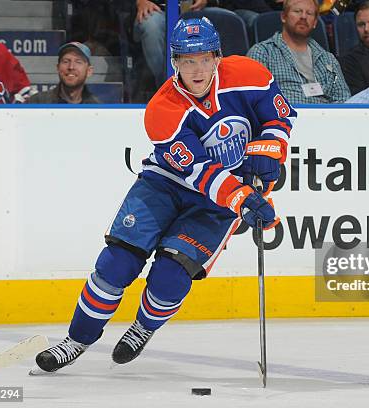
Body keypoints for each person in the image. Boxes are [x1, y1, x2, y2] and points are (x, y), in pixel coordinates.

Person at [31, 17, 296, 374]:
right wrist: (244, 197)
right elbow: (199, 171)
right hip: (165, 185)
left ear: (218, 56)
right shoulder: (163, 109)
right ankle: (78, 338)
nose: (197, 69)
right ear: (174, 63)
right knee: (117, 263)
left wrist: (268, 155)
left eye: (204, 58)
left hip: (215, 203)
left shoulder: (251, 74)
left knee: (171, 276)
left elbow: (278, 120)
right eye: (187, 61)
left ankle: (143, 327)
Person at [247, 0, 351, 104]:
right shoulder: (262, 53)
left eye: (309, 13)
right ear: (283, 17)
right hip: (284, 118)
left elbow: (344, 100)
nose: (303, 17)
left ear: (315, 23)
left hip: (325, 118)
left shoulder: (328, 59)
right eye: (297, 11)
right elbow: (255, 99)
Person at [134, 0, 208, 87]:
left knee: (220, 20)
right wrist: (140, 1)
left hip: (194, 10)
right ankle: (167, 87)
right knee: (152, 27)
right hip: (155, 10)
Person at [28, 42, 101, 104]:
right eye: (66, 61)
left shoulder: (97, 108)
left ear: (89, 71)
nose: (71, 67)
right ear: (58, 68)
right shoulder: (37, 102)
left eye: (78, 62)